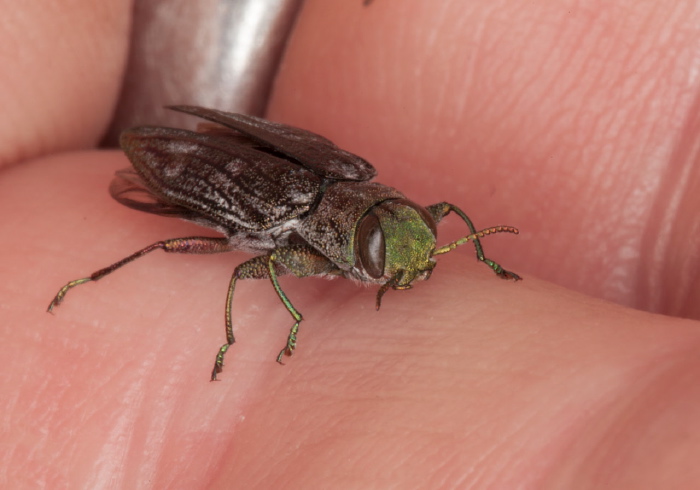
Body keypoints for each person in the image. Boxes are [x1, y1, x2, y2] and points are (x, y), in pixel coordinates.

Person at [2, 2, 699, 487]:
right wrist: (292, 325)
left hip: (279, 180)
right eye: (391, 258)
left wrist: (464, 250)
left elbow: (444, 210)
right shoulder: (297, 233)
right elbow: (266, 268)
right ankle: (89, 278)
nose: (416, 268)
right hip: (224, 183)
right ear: (346, 245)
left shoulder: (359, 182)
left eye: (416, 246)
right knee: (206, 259)